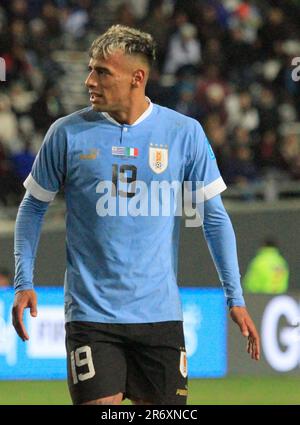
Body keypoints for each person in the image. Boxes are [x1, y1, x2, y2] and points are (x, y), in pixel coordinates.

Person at [12, 25, 260, 406]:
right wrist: (23, 280)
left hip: (160, 320)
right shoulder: (67, 134)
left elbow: (213, 218)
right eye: (91, 69)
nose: (89, 79)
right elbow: (32, 206)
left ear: (137, 78)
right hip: (91, 317)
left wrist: (235, 296)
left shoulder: (183, 134)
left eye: (102, 72)